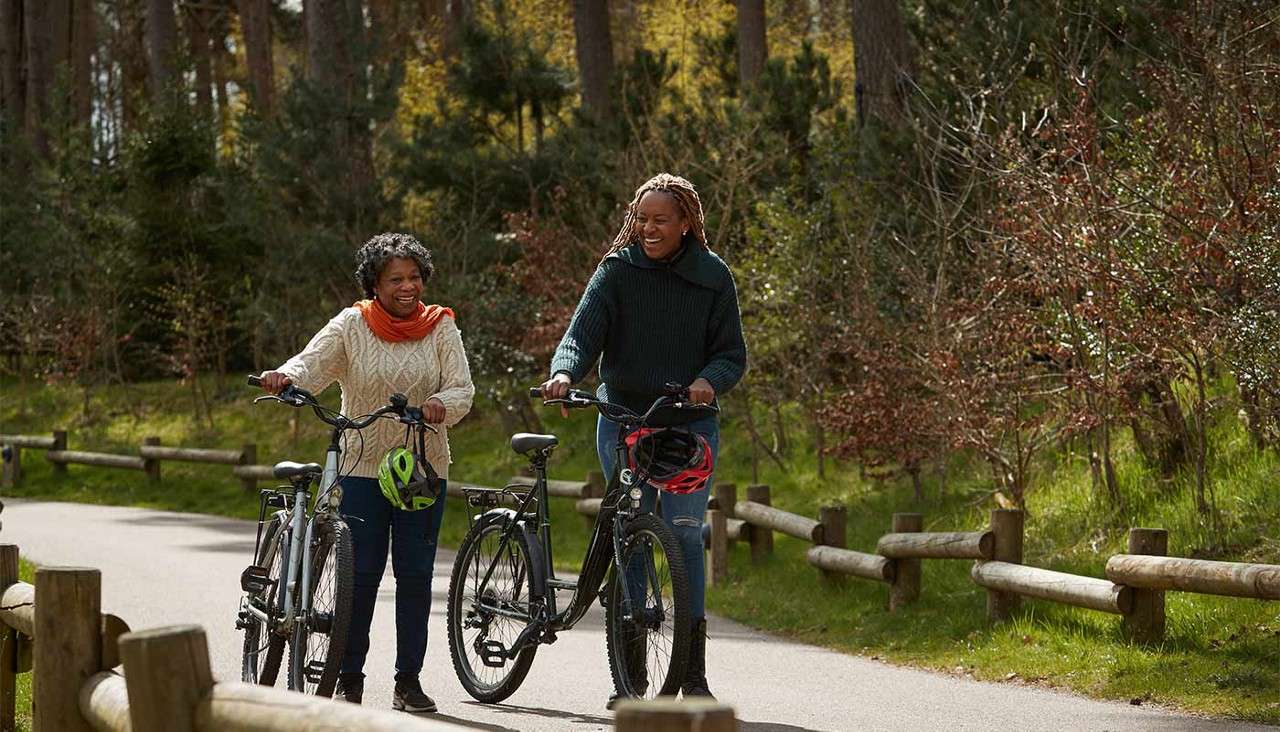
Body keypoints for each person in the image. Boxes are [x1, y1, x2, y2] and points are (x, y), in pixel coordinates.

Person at [539, 173, 747, 707]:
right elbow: (581, 336)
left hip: (688, 424)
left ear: (686, 224)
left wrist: (710, 381)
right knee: (629, 534)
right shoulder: (616, 272)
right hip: (625, 417)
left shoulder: (712, 276)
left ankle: (694, 675)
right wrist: (565, 372)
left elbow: (731, 354)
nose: (648, 229)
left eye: (660, 221)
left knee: (683, 537)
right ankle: (629, 677)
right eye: (642, 219)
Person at [257, 233, 474, 713]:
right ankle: (347, 675)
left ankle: (408, 682)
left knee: (416, 576)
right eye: (396, 278)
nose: (407, 286)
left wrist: (441, 404)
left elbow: (462, 388)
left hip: (422, 470)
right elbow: (310, 363)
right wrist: (284, 377)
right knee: (360, 576)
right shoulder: (352, 325)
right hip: (360, 469)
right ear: (374, 283)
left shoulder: (442, 327)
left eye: (415, 277)